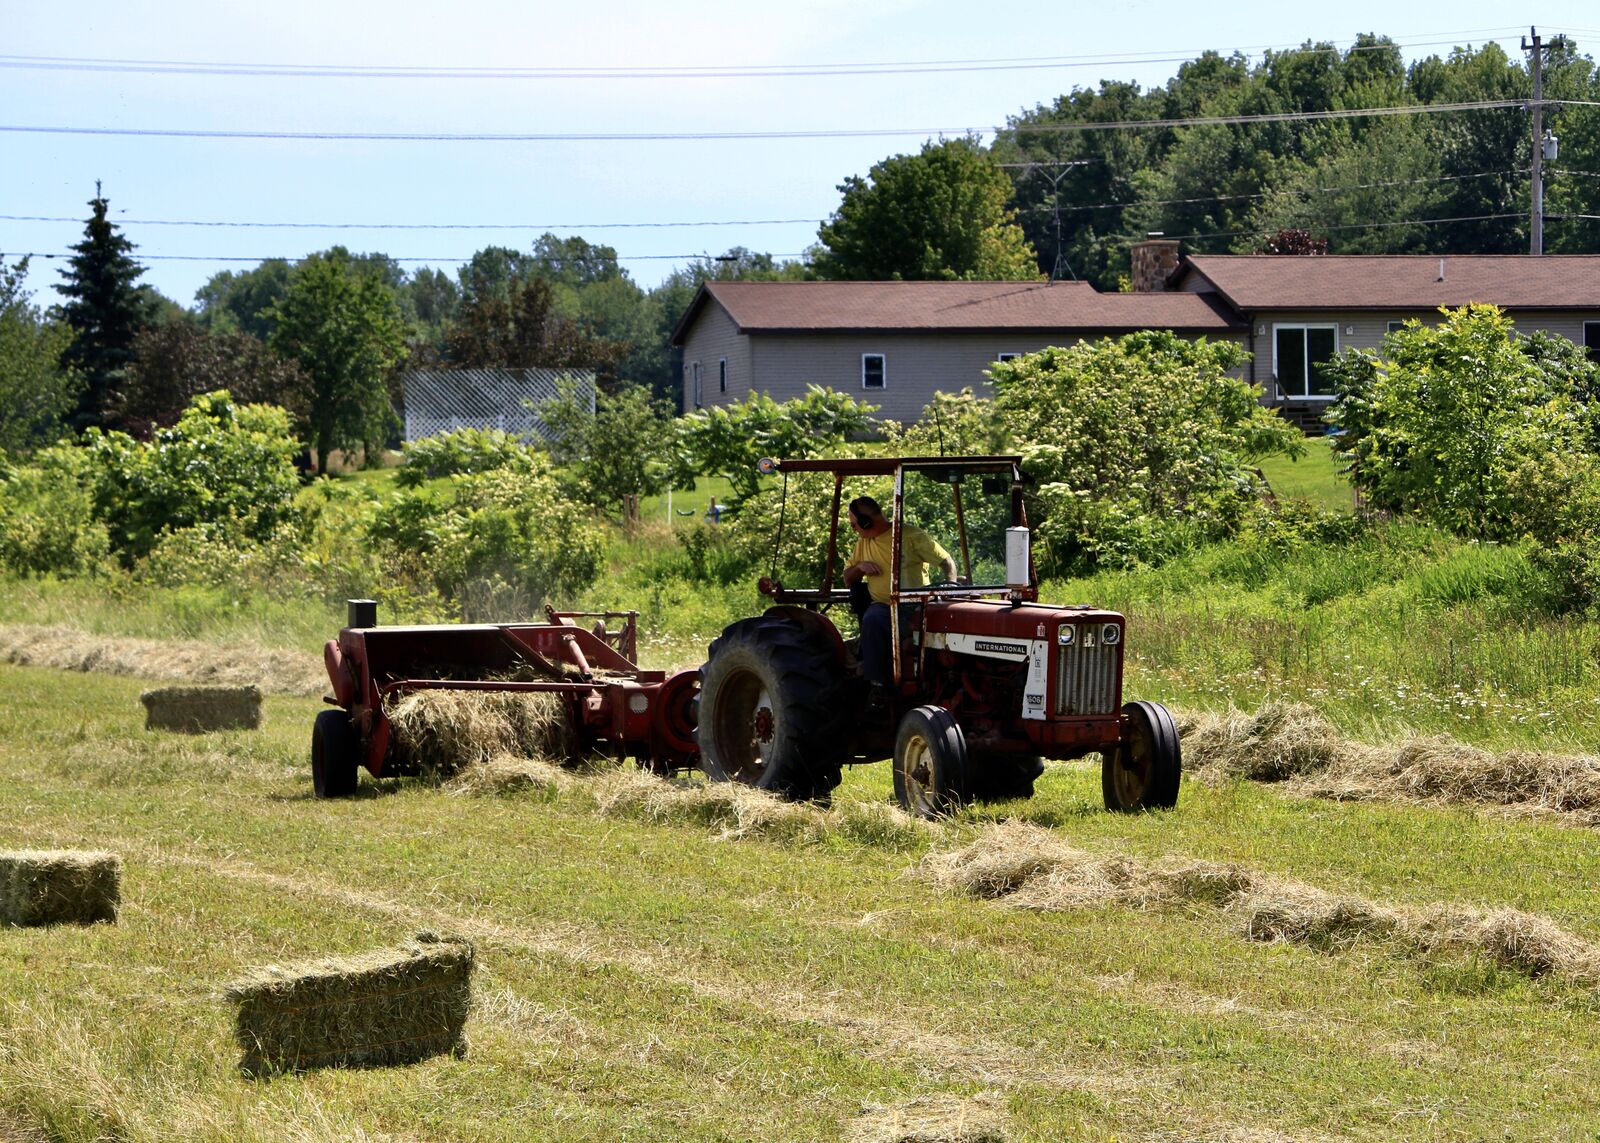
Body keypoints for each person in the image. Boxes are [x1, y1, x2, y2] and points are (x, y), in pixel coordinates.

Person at [841, 496, 957, 690]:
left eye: (855, 525)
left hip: (915, 606)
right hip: (885, 608)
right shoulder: (863, 542)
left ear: (866, 522)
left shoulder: (910, 535)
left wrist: (951, 587)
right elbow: (847, 577)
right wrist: (860, 567)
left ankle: (938, 679)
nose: (854, 529)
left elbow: (947, 562)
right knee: (872, 618)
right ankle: (877, 686)